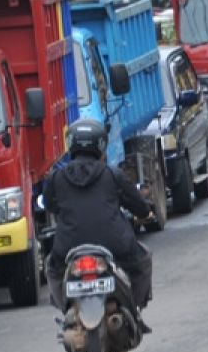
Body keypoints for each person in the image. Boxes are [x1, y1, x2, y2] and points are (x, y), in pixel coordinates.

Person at [44, 119, 155, 332]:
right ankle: (136, 311)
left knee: (52, 267)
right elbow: (138, 205)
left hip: (68, 246)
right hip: (115, 244)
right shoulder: (112, 175)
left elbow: (50, 205)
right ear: (101, 146)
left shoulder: (57, 178)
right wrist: (146, 212)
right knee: (144, 259)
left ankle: (66, 310)